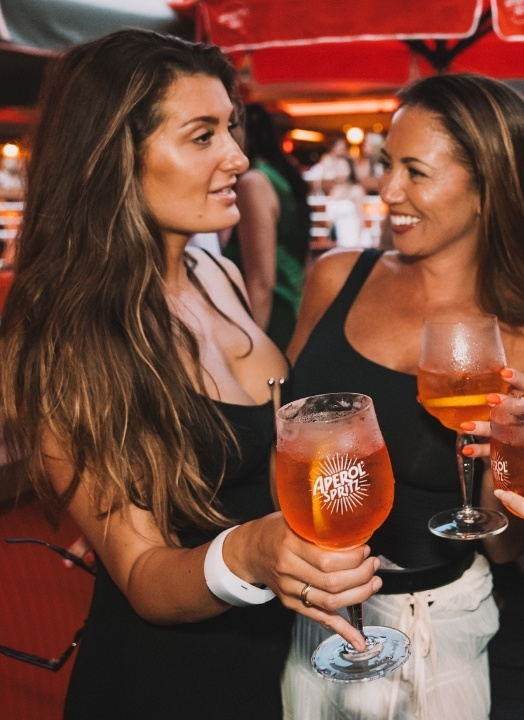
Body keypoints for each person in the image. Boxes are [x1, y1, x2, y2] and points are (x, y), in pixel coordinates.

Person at [0, 30, 381, 719]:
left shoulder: (216, 272)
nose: (238, 157)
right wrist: (251, 551)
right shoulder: (66, 335)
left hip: (278, 660)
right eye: (202, 135)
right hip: (168, 683)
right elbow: (142, 573)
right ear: (112, 156)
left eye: (230, 129)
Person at [280, 73, 524, 720]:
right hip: (313, 612)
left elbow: (505, 548)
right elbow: (280, 433)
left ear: (487, 189)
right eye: (389, 166)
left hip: (433, 627)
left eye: (416, 171)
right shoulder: (337, 278)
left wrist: (503, 449)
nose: (388, 192)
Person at [221, 103, 310, 351]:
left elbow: (262, 281)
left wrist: (252, 347)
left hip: (269, 317)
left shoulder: (253, 182)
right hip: (291, 307)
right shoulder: (280, 176)